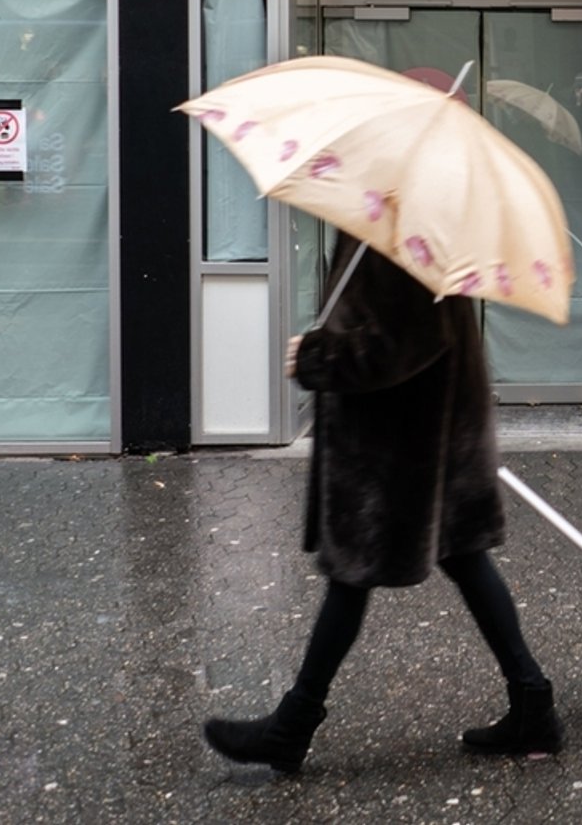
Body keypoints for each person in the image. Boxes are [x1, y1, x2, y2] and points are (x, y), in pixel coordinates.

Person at [202, 236, 561, 775]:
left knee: (351, 571)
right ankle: (532, 703)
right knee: (462, 554)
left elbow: (405, 338)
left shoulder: (406, 227)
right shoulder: (400, 217)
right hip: (431, 429)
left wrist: (319, 355)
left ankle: (290, 727)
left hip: (400, 441)